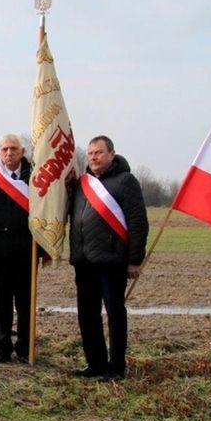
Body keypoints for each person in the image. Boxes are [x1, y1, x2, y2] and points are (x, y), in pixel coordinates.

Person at [69, 136, 148, 381]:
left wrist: (135, 260)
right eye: (91, 153)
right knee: (87, 314)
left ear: (111, 154)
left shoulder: (126, 181)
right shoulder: (82, 183)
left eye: (99, 153)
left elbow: (137, 222)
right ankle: (95, 363)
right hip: (84, 261)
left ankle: (116, 367)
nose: (93, 157)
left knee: (114, 314)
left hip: (112, 260)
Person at [0, 134, 37, 363]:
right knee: (2, 300)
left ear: (22, 151)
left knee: (25, 300)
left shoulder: (37, 176)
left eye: (13, 149)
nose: (9, 153)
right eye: (4, 149)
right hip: (0, 250)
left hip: (27, 249)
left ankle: (25, 347)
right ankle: (1, 346)